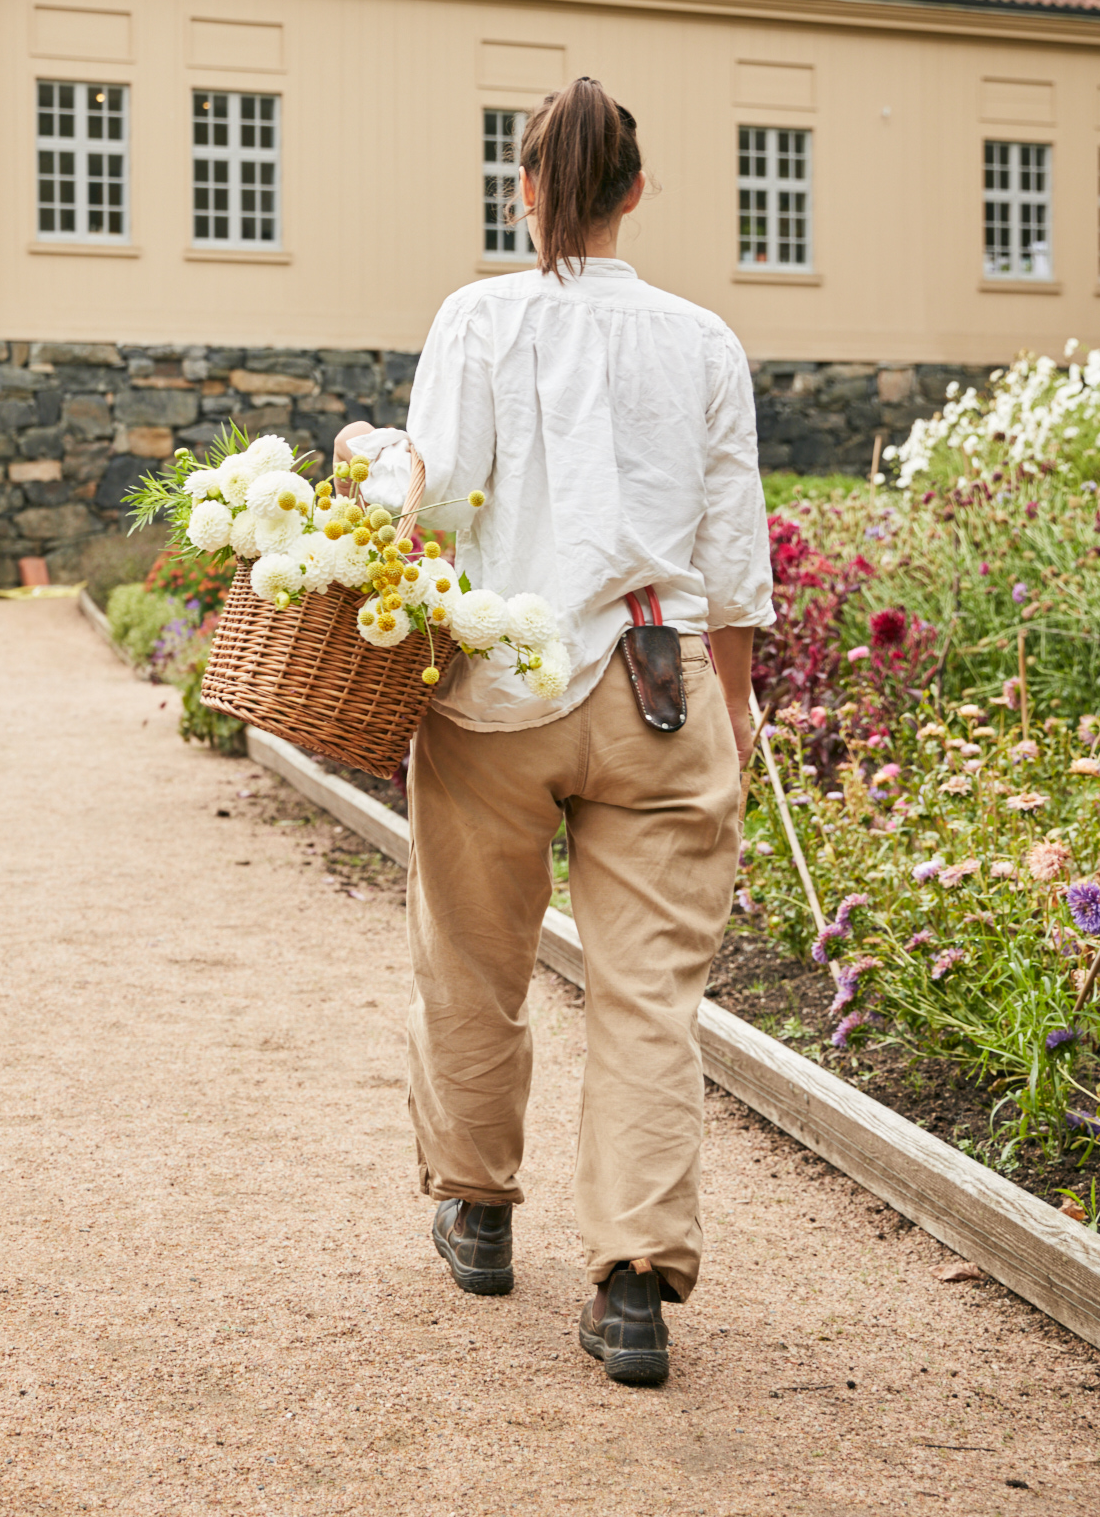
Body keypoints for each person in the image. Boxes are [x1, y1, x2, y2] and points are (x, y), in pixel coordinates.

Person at [334, 76, 770, 1388]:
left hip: (495, 696)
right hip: (659, 688)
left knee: (472, 964)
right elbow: (734, 555)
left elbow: (432, 509)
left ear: (525, 190)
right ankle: (633, 1290)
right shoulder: (704, 341)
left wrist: (362, 474)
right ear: (635, 192)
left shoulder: (477, 318)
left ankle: (477, 1211)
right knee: (650, 1003)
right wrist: (734, 713)